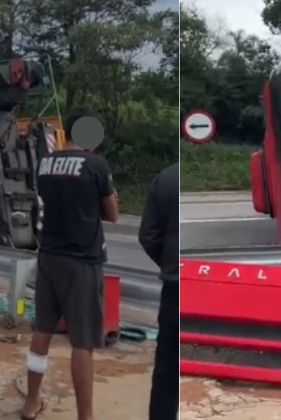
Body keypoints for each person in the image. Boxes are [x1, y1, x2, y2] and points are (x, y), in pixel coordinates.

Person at [20, 107, 118, 420]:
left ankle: (31, 403)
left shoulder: (46, 163)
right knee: (83, 341)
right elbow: (112, 213)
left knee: (43, 331)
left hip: (49, 256)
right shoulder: (96, 165)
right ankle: (85, 416)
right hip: (82, 261)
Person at [139, 163, 179, 420]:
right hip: (210, 284)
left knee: (166, 370)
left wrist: (168, 265)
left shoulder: (165, 178)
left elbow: (148, 236)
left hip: (175, 287)